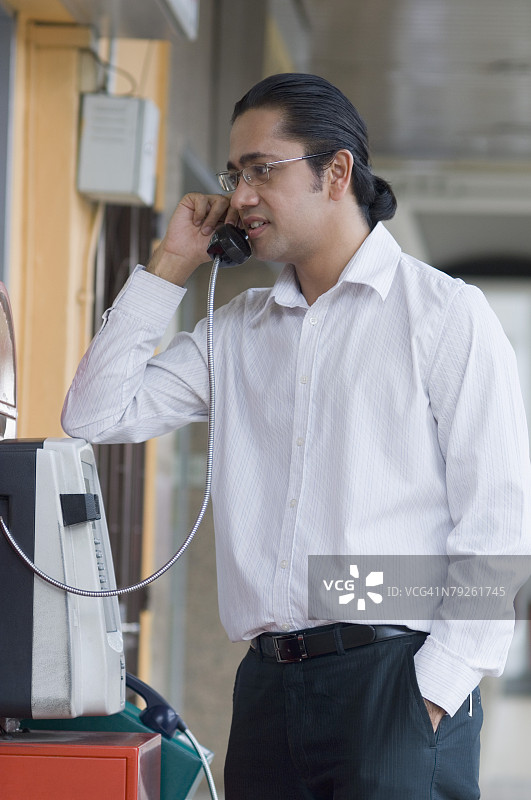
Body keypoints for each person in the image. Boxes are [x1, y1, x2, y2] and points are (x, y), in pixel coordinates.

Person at [62, 73, 531, 799]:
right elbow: (93, 417)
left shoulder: (443, 316)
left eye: (262, 169)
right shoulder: (237, 330)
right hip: (268, 690)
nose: (241, 195)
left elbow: (498, 525)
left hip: (396, 682)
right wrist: (172, 265)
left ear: (335, 171)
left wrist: (432, 695)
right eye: (234, 173)